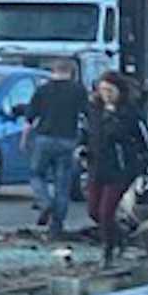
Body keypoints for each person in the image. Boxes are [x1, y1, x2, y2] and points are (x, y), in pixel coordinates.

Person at [86, 71, 148, 265]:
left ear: (119, 91)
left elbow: (143, 139)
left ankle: (108, 251)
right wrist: (83, 149)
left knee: (106, 211)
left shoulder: (129, 112)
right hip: (97, 166)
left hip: (120, 168)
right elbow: (90, 134)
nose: (106, 94)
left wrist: (146, 160)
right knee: (94, 211)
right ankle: (120, 236)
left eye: (110, 90)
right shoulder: (95, 109)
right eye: (103, 90)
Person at [23, 59, 88, 239]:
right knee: (63, 183)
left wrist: (25, 139)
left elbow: (29, 118)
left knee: (36, 174)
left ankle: (45, 202)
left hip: (44, 138)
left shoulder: (43, 90)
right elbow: (87, 114)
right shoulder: (78, 90)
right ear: (71, 72)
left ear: (54, 70)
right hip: (68, 140)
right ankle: (56, 226)